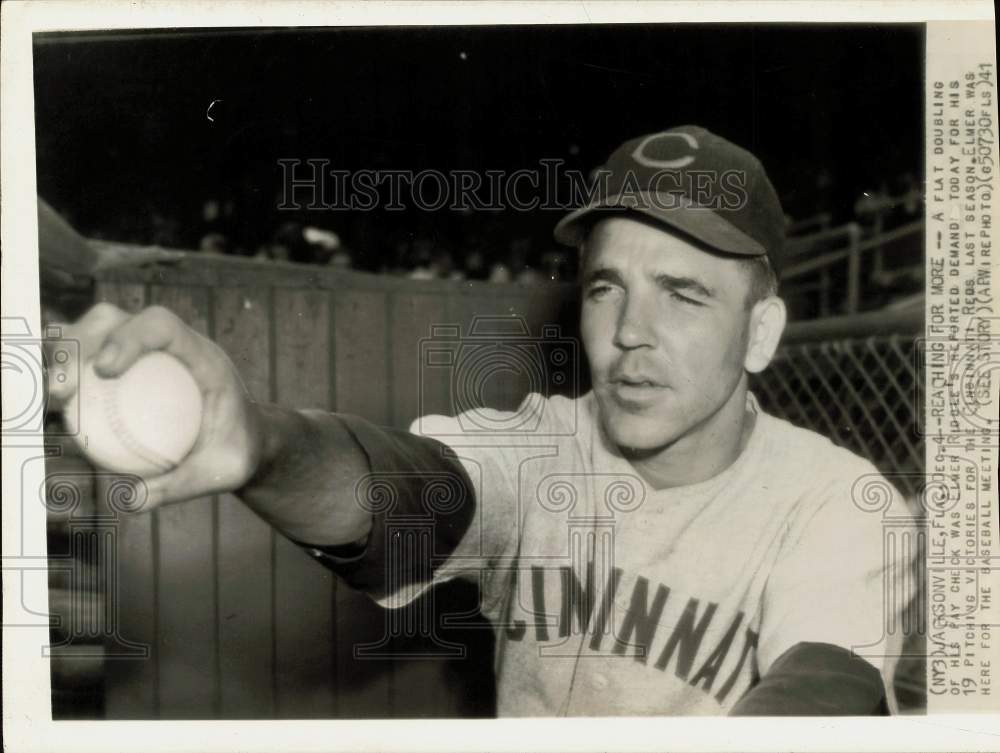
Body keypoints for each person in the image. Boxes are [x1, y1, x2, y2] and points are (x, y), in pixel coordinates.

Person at [46, 126, 912, 717]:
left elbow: (825, 694)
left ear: (760, 331)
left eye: (684, 295)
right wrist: (262, 444)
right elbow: (406, 497)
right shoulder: (547, 444)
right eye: (607, 287)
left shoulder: (834, 501)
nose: (629, 331)